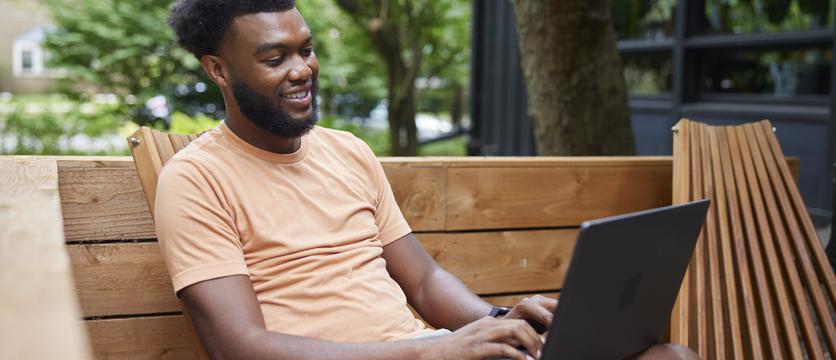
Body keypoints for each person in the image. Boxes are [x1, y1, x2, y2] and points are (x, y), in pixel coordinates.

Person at [158, 1, 698, 359]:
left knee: (668, 357)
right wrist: (433, 350)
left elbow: (421, 282)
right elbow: (239, 346)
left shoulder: (346, 151)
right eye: (275, 58)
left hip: (427, 352)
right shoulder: (197, 179)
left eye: (306, 49)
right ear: (219, 69)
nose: (301, 69)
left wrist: (500, 319)